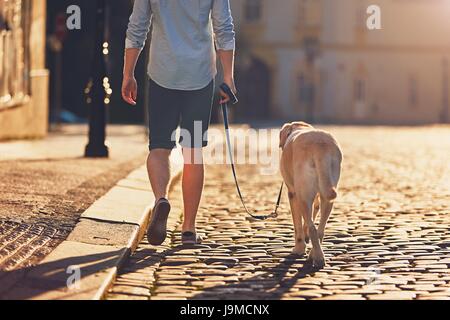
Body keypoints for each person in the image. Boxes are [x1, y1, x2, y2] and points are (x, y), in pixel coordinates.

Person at [122, 0, 236, 246]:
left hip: (163, 74)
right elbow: (224, 28)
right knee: (193, 151)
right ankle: (188, 229)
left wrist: (128, 73)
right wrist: (228, 77)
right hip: (200, 76)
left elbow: (137, 26)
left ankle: (161, 199)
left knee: (159, 147)